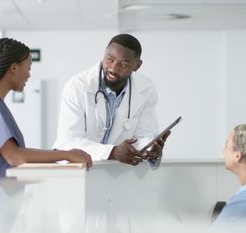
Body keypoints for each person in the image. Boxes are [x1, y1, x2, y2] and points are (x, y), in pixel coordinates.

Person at [0, 38, 92, 179]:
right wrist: (67, 154)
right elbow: (14, 156)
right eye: (29, 68)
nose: (29, 75)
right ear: (14, 68)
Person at [53, 34, 169, 166]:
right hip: (76, 171)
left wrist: (150, 149)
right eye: (110, 59)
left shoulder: (146, 89)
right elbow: (68, 141)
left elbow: (144, 136)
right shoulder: (77, 86)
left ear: (137, 65)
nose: (113, 68)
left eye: (124, 64)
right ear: (104, 54)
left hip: (115, 173)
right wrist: (112, 152)